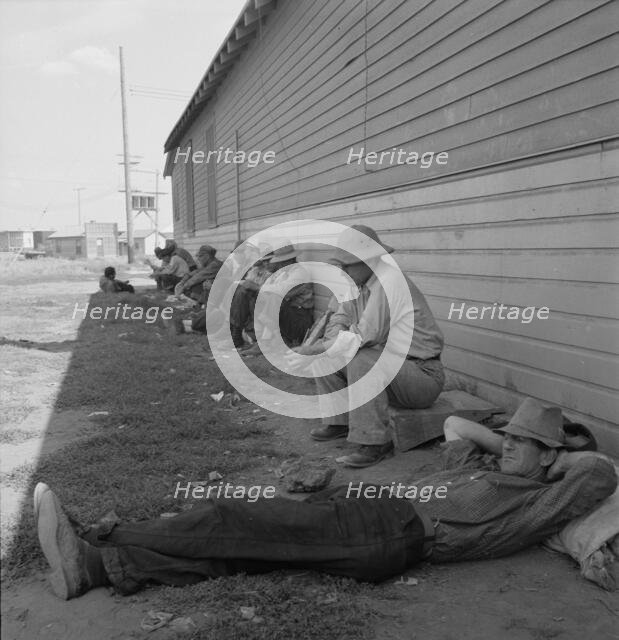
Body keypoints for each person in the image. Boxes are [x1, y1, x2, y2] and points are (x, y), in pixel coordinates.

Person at [33, 397, 616, 600]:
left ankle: (99, 541)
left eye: (525, 442)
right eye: (511, 436)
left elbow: (598, 470)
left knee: (232, 515)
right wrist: (509, 442)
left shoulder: (543, 497)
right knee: (241, 550)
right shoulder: (484, 464)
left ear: (551, 456)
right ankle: (100, 569)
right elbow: (461, 426)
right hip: (371, 509)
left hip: (392, 534)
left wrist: (549, 456)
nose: (512, 445)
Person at [286, 225, 444, 468]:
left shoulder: (390, 281)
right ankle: (339, 422)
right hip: (397, 372)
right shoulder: (357, 283)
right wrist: (324, 345)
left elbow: (364, 335)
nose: (342, 270)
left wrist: (315, 349)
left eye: (347, 264)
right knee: (327, 354)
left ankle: (376, 442)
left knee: (360, 357)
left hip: (422, 376)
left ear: (368, 261)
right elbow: (340, 317)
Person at [243, 245, 314, 353]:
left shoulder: (300, 273)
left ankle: (266, 343)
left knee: (274, 298)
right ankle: (262, 339)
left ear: (290, 260)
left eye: (282, 261)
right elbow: (267, 287)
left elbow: (281, 291)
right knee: (257, 296)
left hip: (300, 319)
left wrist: (258, 287)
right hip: (288, 315)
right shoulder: (283, 272)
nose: (279, 264)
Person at [229, 245, 272, 348]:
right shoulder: (255, 269)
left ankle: (235, 331)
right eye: (263, 261)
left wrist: (254, 287)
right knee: (238, 290)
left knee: (242, 292)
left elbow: (271, 292)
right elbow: (248, 282)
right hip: (252, 300)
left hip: (268, 303)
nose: (264, 263)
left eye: (268, 261)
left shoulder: (274, 273)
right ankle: (234, 330)